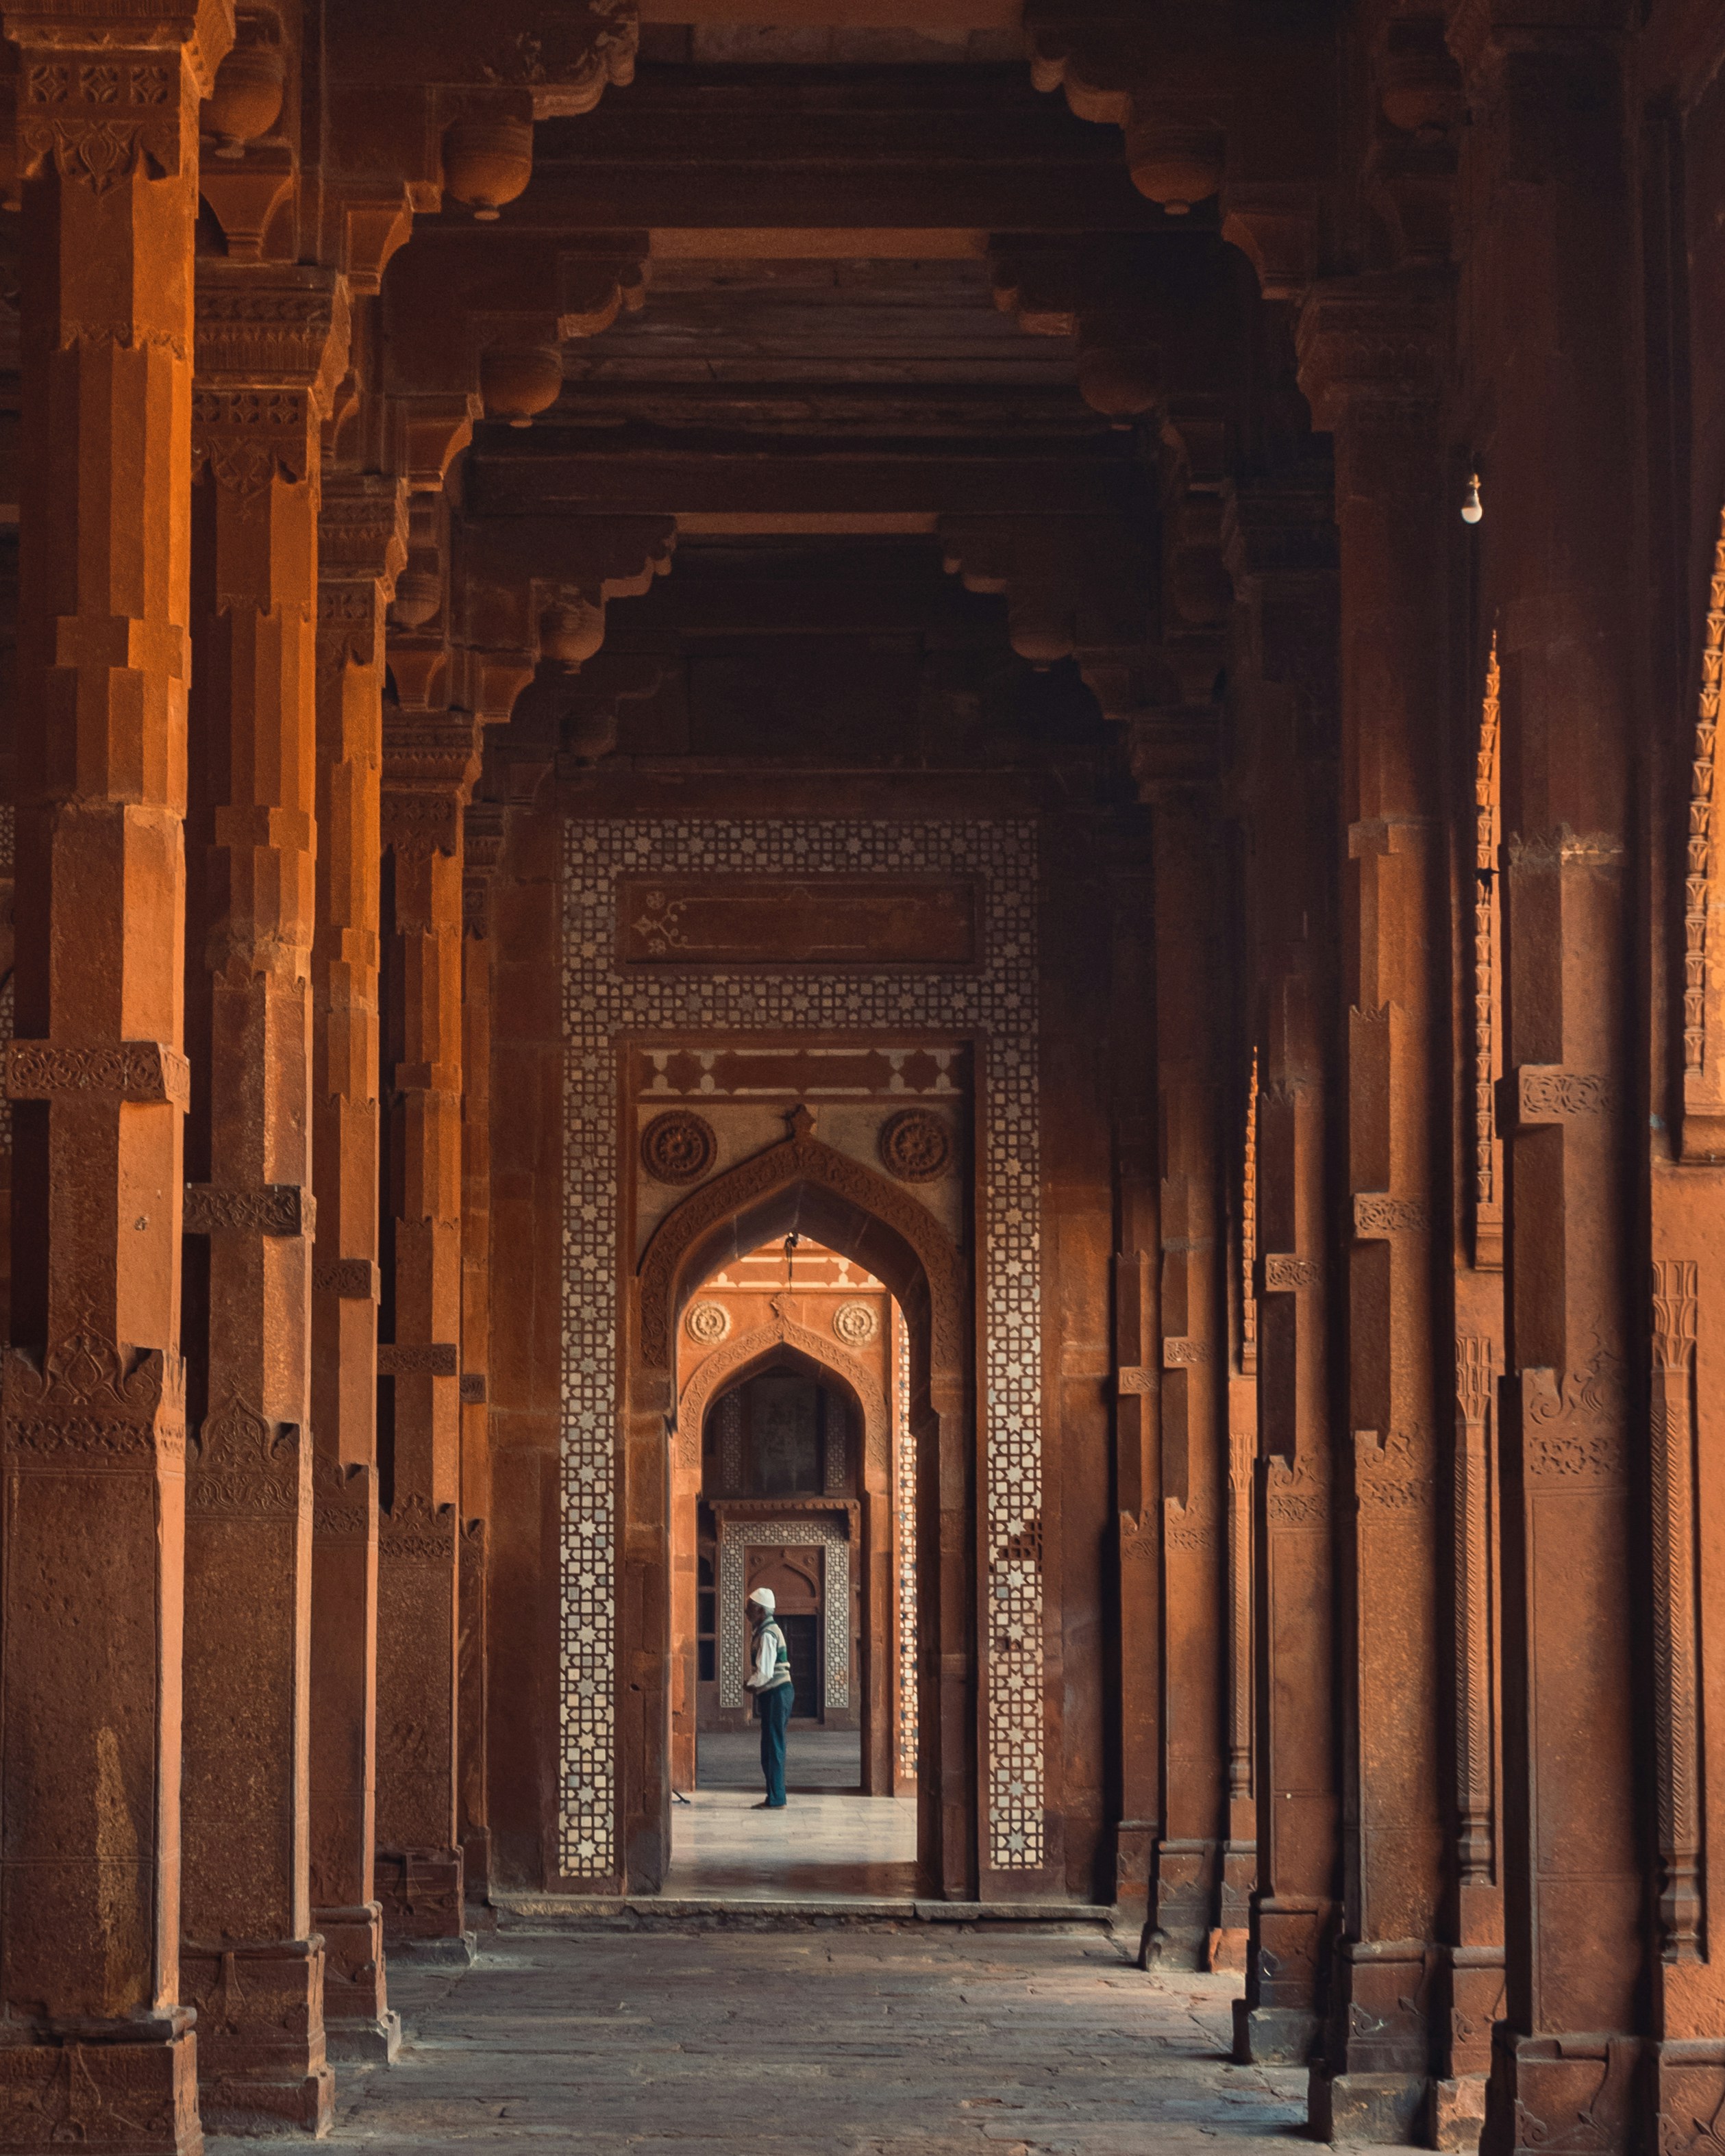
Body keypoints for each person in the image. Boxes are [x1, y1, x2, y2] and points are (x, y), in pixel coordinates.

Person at [743, 1585, 793, 1808]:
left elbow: (765, 1672)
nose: (747, 1612)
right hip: (774, 1693)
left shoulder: (768, 1634)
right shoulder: (764, 1631)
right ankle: (774, 1796)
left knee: (773, 1746)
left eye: (750, 1608)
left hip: (776, 1692)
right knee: (771, 1745)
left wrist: (750, 1684)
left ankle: (776, 1799)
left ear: (761, 1611)